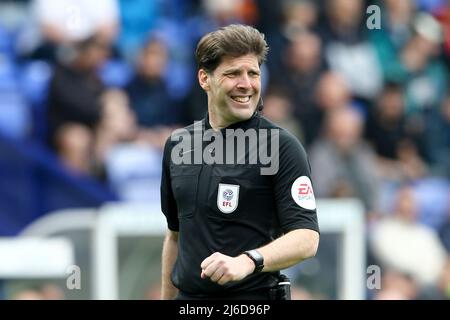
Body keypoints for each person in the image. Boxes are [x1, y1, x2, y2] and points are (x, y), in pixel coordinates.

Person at [160, 24, 319, 300]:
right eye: (233, 73)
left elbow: (306, 238)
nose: (246, 84)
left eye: (253, 73)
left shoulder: (281, 146)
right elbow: (175, 236)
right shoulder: (179, 145)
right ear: (204, 79)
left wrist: (247, 261)